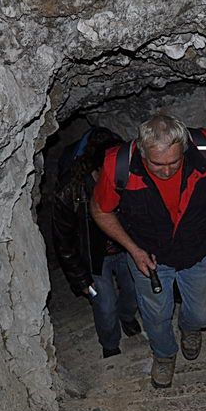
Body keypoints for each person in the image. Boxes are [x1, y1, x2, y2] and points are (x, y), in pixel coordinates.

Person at [90, 114, 206, 388]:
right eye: (157, 164)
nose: (167, 170)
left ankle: (190, 328)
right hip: (149, 257)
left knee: (201, 314)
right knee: (156, 316)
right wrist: (133, 250)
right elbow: (100, 210)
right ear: (141, 151)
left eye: (174, 162)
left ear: (184, 148)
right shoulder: (119, 165)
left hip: (199, 246)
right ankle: (164, 354)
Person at [52, 126, 142, 359]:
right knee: (104, 304)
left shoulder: (128, 177)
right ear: (96, 168)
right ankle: (110, 342)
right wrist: (80, 279)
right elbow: (63, 240)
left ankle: (127, 317)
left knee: (132, 291)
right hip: (93, 257)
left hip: (126, 248)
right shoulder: (71, 191)